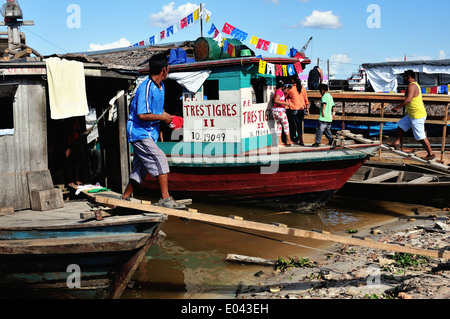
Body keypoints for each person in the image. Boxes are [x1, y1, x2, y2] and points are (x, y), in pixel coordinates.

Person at [121, 53, 186, 210]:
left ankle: (125, 197)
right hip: (139, 133)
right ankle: (165, 198)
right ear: (164, 70)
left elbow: (156, 111)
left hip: (150, 134)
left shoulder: (160, 87)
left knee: (140, 168)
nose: (168, 70)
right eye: (168, 68)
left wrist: (167, 117)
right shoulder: (146, 87)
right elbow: (142, 115)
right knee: (161, 159)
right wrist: (164, 118)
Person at [390, 70, 435, 161]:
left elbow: (408, 99)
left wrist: (398, 107)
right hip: (412, 114)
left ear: (408, 77)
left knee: (420, 136)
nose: (403, 79)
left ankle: (431, 153)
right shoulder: (414, 85)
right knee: (401, 125)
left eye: (404, 77)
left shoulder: (412, 86)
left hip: (417, 115)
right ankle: (397, 142)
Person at [286, 76, 310, 146]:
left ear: (293, 81)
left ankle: (298, 138)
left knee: (294, 125)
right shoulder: (303, 88)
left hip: (294, 108)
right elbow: (306, 99)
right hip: (301, 108)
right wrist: (307, 108)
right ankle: (300, 139)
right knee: (299, 125)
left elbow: (285, 96)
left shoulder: (291, 89)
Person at [272, 81, 294, 147]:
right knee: (286, 124)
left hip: (275, 111)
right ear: (283, 87)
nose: (287, 91)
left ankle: (279, 142)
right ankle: (288, 140)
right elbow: (276, 100)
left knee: (279, 125)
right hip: (280, 111)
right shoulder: (279, 92)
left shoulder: (277, 91)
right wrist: (286, 103)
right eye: (286, 89)